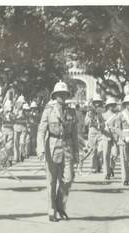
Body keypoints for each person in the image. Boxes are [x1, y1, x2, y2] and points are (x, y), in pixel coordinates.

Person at [37, 80, 78, 222]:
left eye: (64, 94)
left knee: (69, 178)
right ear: (55, 96)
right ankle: (52, 209)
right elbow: (41, 131)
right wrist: (41, 149)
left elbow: (74, 133)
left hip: (67, 147)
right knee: (51, 181)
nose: (62, 96)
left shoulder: (71, 112)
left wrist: (77, 153)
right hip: (52, 147)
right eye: (59, 94)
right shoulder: (48, 111)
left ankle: (60, 204)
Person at [85, 94, 105, 174]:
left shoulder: (103, 110)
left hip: (101, 132)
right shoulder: (89, 111)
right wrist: (91, 119)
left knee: (101, 150)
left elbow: (105, 120)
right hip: (92, 131)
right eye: (96, 102)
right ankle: (93, 167)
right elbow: (86, 122)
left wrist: (101, 122)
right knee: (93, 150)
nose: (97, 103)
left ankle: (100, 165)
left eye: (98, 102)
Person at [101, 97, 119, 180]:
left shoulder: (116, 116)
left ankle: (111, 167)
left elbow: (118, 127)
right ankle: (106, 173)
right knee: (106, 155)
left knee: (115, 154)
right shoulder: (103, 115)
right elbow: (100, 127)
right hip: (106, 136)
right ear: (107, 106)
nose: (112, 106)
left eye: (113, 105)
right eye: (111, 105)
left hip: (114, 137)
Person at [1, 100, 15, 166]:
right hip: (4, 130)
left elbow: (14, 120)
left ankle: (10, 160)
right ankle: (4, 160)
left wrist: (10, 115)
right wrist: (2, 115)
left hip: (10, 130)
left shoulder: (12, 114)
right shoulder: (2, 113)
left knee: (9, 146)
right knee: (3, 146)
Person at [13, 95, 27, 162]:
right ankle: (16, 157)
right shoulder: (15, 110)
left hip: (23, 128)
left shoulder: (26, 109)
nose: (21, 104)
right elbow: (13, 117)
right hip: (16, 128)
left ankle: (22, 154)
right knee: (16, 143)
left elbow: (27, 116)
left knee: (22, 143)